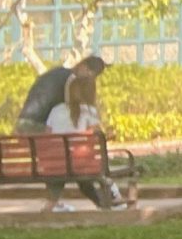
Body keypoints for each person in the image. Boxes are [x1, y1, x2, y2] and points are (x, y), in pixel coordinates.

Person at [14, 51, 112, 210]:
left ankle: (54, 202)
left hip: (24, 123)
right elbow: (73, 112)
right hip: (35, 126)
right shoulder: (71, 81)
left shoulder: (56, 73)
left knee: (61, 158)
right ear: (83, 66)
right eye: (91, 74)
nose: (91, 80)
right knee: (63, 159)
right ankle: (55, 202)